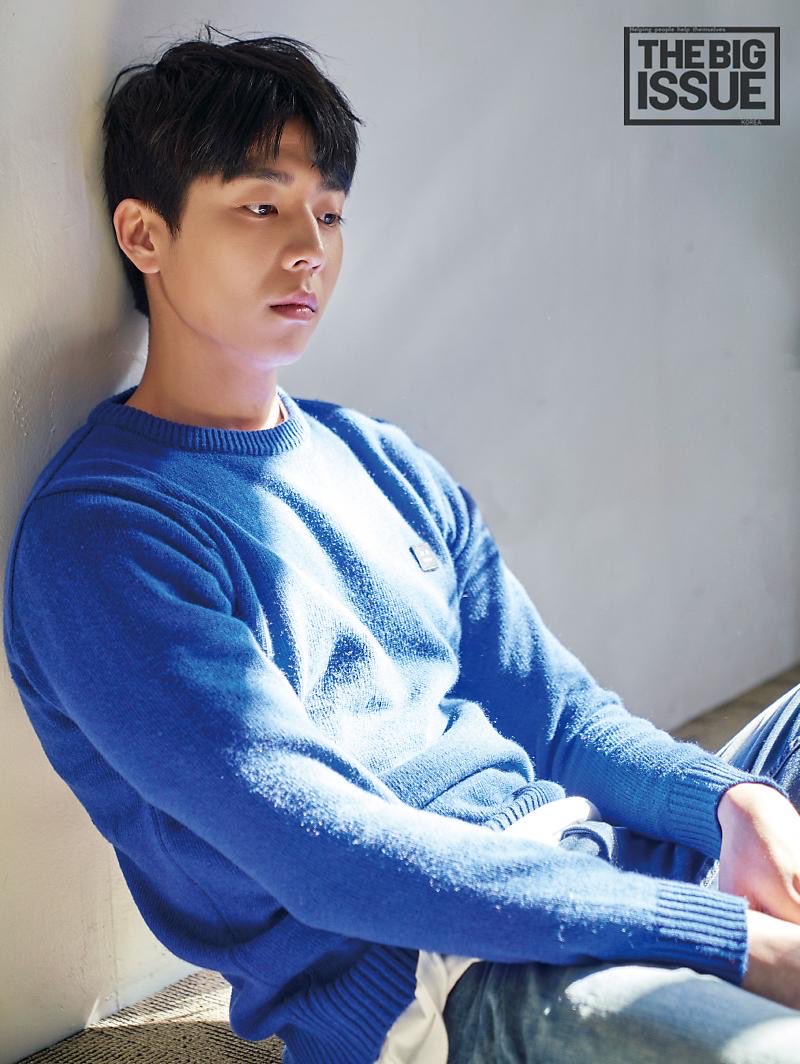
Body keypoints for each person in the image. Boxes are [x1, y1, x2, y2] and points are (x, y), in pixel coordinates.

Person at [4, 23, 800, 1064]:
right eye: (261, 207)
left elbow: (563, 723)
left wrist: (734, 802)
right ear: (144, 234)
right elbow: (329, 858)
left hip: (585, 870)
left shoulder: (378, 460)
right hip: (444, 973)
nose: (309, 247)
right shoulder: (104, 538)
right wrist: (726, 937)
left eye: (328, 212)